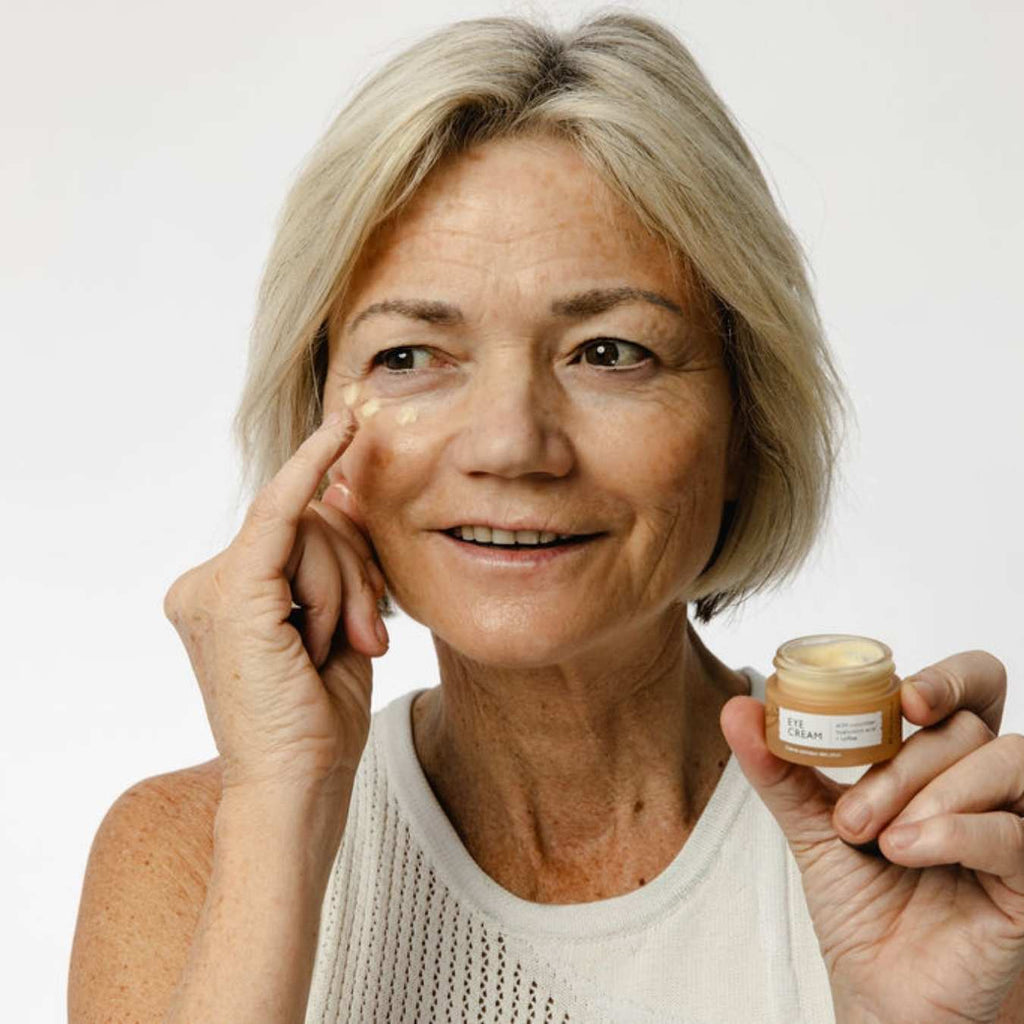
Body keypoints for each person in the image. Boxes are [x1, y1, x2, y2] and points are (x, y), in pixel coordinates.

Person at [68, 10, 1022, 1023]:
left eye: (609, 352)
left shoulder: (944, 875)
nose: (512, 445)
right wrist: (278, 813)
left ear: (746, 422)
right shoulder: (184, 853)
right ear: (320, 436)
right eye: (411, 355)